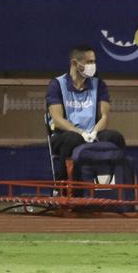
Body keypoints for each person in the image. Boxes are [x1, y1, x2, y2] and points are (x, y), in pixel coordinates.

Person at [45, 44, 127, 181]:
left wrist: (94, 132)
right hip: (65, 135)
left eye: (94, 61)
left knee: (115, 137)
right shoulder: (57, 85)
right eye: (89, 62)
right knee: (73, 140)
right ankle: (65, 187)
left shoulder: (99, 85)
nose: (93, 65)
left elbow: (104, 117)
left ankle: (117, 187)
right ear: (74, 63)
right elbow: (57, 120)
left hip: (92, 133)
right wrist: (80, 133)